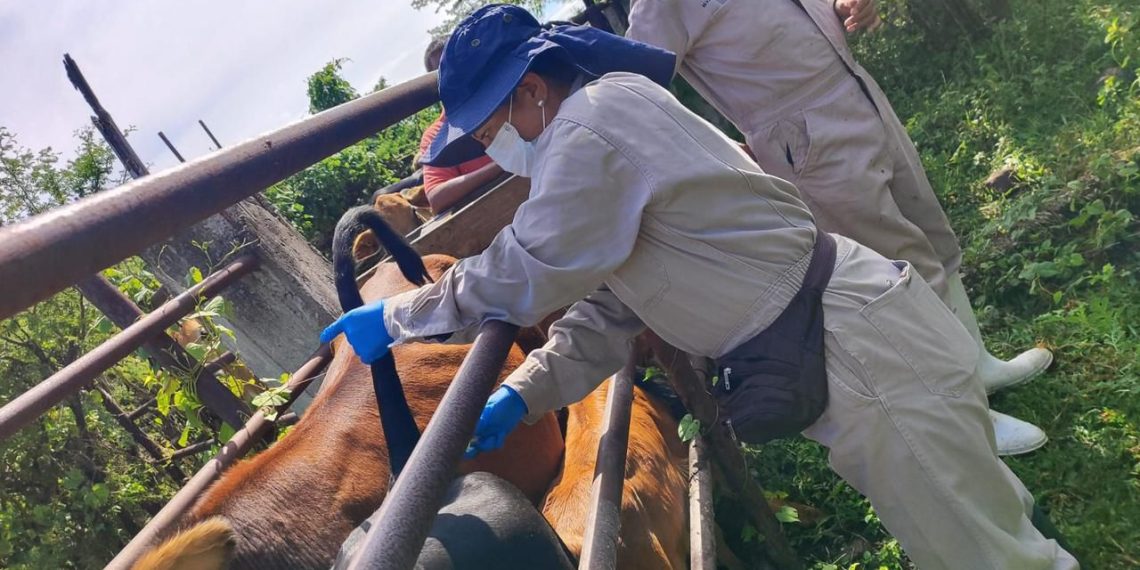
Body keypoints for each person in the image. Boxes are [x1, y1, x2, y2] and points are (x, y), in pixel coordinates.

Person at [320, 5, 1078, 569]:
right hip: (846, 333)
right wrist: (528, 391)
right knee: (972, 514)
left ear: (530, 92)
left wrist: (397, 316)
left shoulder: (587, 136)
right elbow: (618, 302)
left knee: (980, 549)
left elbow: (522, 267)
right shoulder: (606, 113)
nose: (492, 149)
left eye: (488, 130)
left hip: (851, 348)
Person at [623, 0, 1053, 456]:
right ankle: (968, 419)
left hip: (854, 90)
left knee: (929, 232)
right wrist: (720, 143)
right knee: (897, 272)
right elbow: (634, 91)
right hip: (802, 132)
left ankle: (979, 368)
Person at [418, 35, 506, 215]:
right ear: (435, 83)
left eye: (456, 67)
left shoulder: (499, 94)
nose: (453, 79)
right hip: (497, 213)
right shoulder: (435, 135)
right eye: (442, 73)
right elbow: (437, 197)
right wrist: (502, 165)